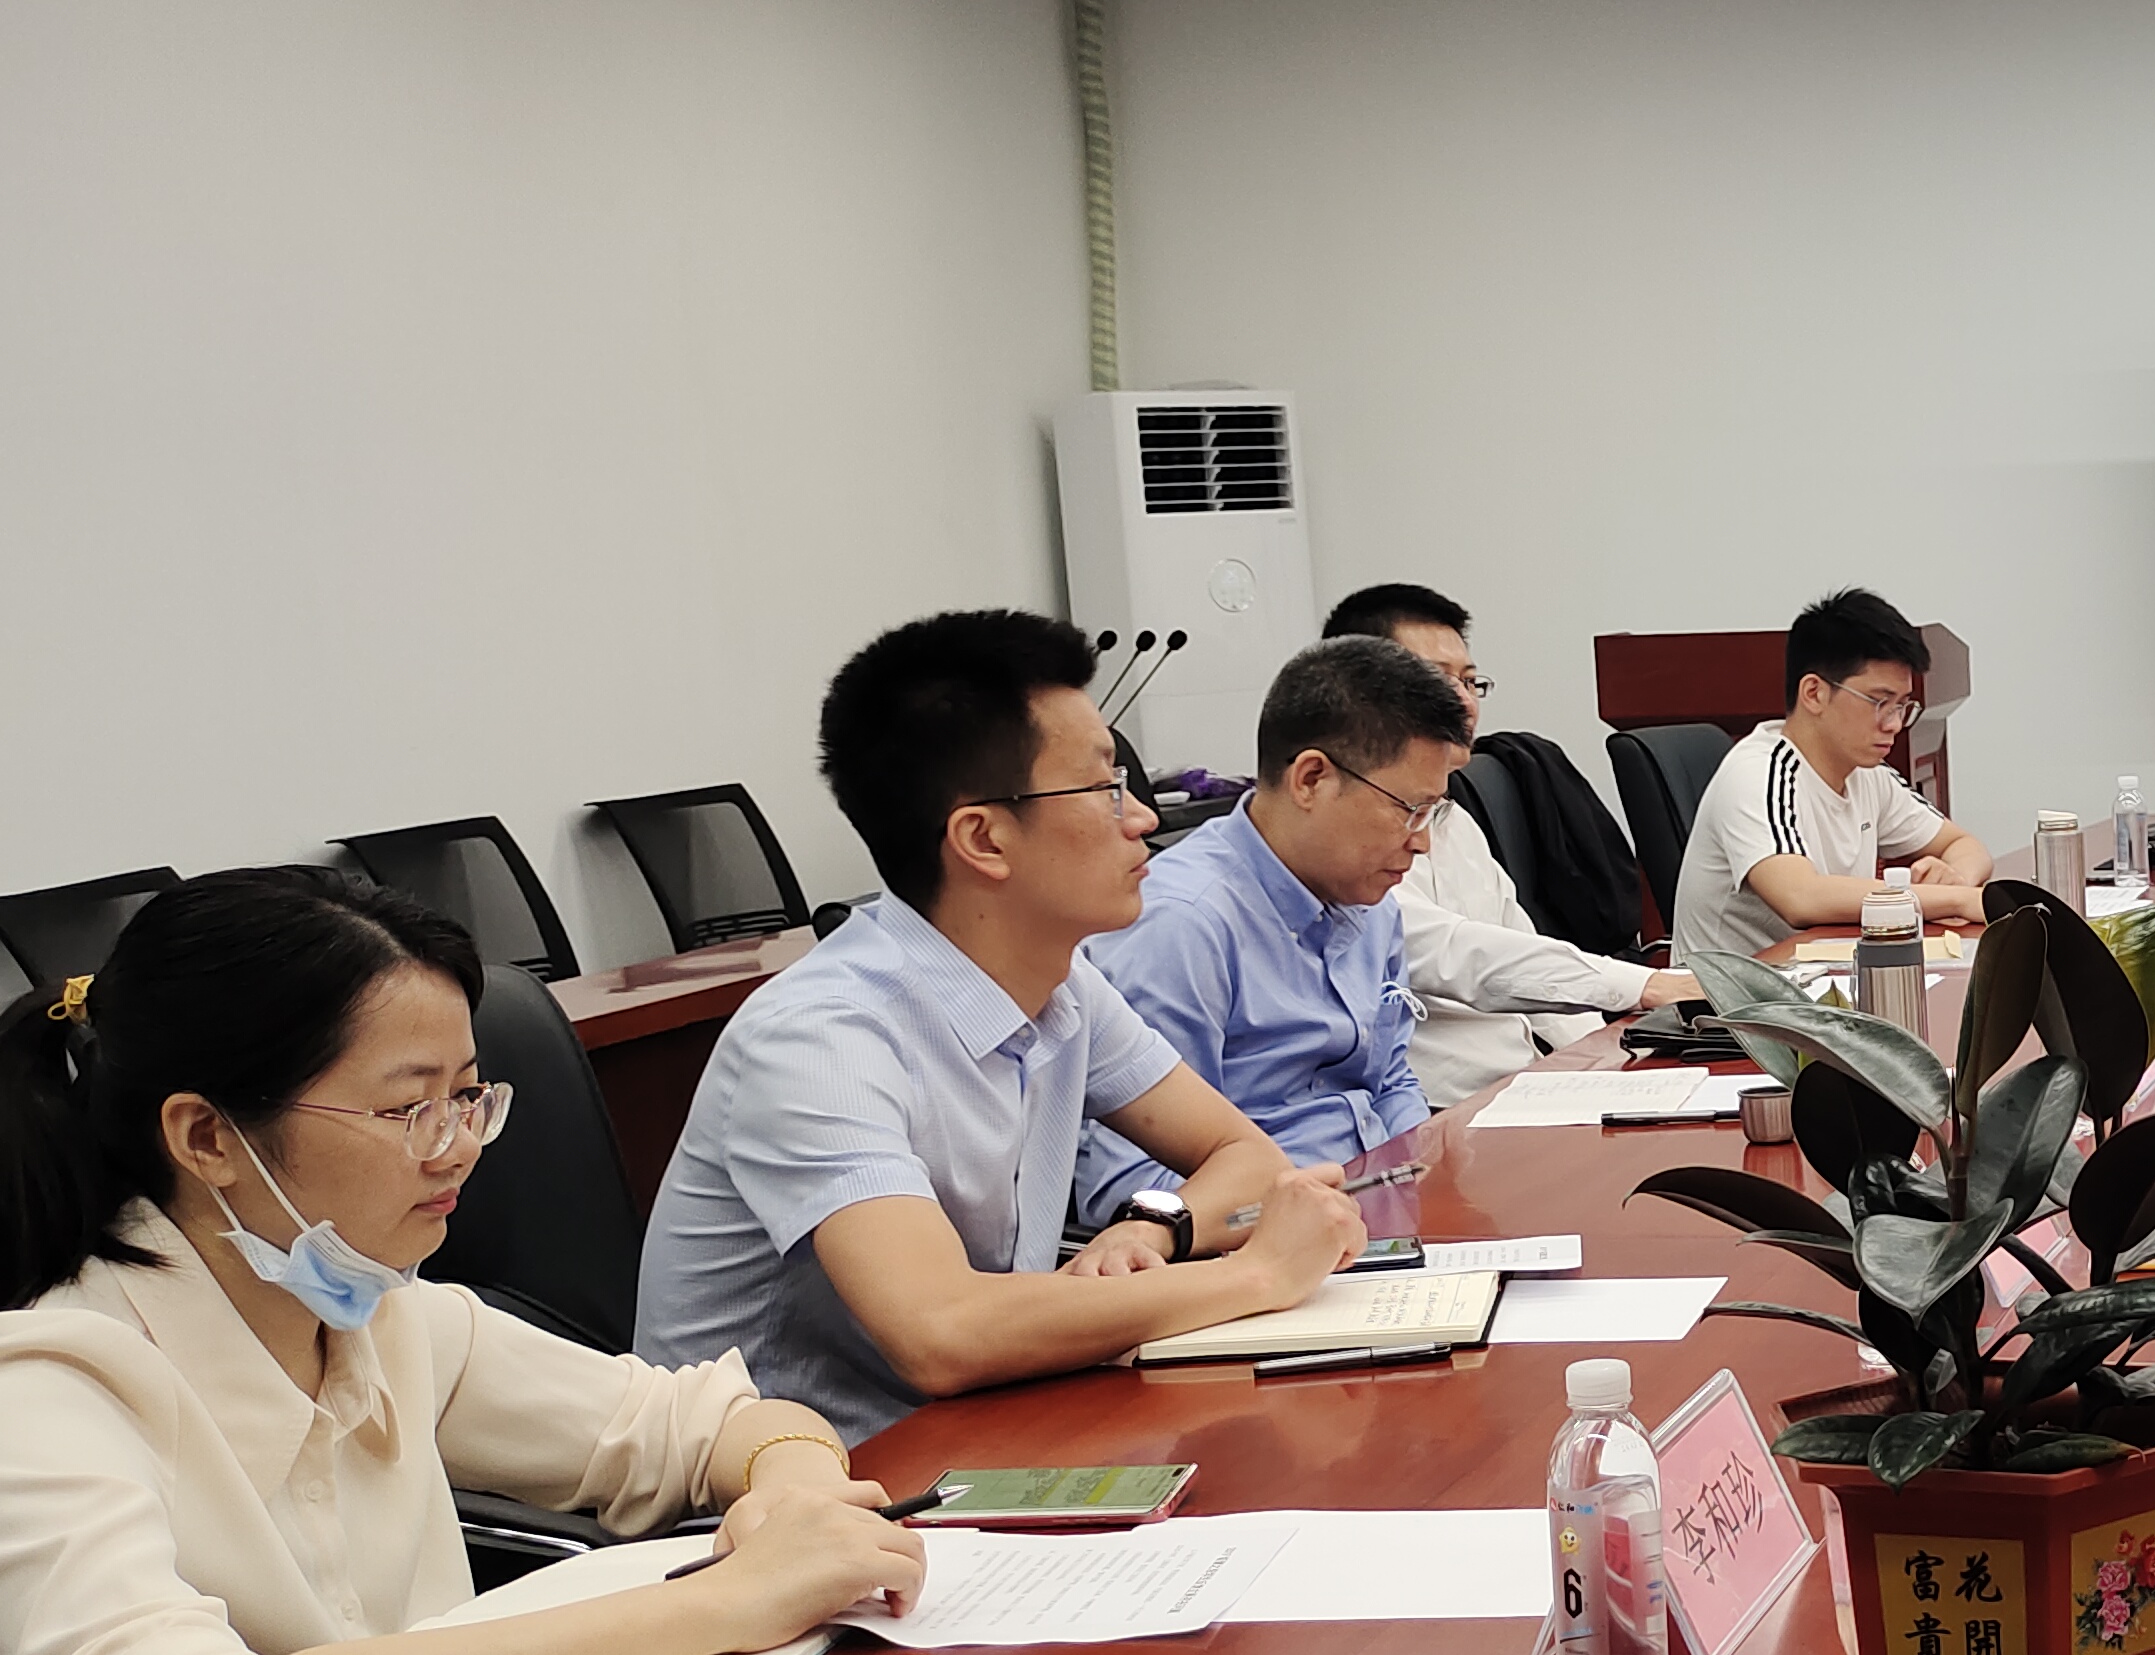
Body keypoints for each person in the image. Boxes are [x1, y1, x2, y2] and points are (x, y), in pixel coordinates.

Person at [0, 871, 927, 1655]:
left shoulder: (378, 1312)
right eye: (407, 1110)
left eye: (470, 1097)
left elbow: (712, 1420)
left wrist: (791, 1490)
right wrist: (725, 1603)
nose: (458, 1148)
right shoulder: (28, 1396)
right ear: (208, 1138)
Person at [634, 610, 1366, 1446]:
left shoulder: (1063, 984)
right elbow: (941, 1331)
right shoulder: (818, 1040)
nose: (1142, 819)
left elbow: (1248, 1160)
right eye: (1104, 789)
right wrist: (1260, 1274)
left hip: (984, 1435)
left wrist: (1156, 1226)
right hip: (798, 1486)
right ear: (983, 838)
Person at [1076, 635, 1469, 1216]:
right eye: (1409, 810)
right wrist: (1304, 1217)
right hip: (1268, 1235)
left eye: (1433, 812)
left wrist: (1423, 1181)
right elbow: (1135, 1189)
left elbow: (1391, 1082)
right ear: (1311, 779)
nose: (1423, 842)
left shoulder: (1370, 898)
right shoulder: (1182, 925)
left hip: (1378, 1207)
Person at [1324, 581, 1696, 1110]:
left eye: (1469, 681)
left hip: (1527, 1085)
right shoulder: (1344, 833)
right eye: (1436, 680)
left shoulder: (1454, 818)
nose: (1461, 701)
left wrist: (1614, 1064)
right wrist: (1645, 986)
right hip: (1445, 1108)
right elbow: (1454, 952)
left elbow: (1522, 951)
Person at [1667, 588, 1994, 968]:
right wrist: (1957, 900)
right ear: (1814, 693)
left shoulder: (1867, 773)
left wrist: (1954, 879)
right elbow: (1800, 897)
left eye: (1902, 706)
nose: (1894, 724)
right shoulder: (1759, 773)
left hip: (1820, 982)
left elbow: (1964, 844)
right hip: (1728, 997)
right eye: (1880, 702)